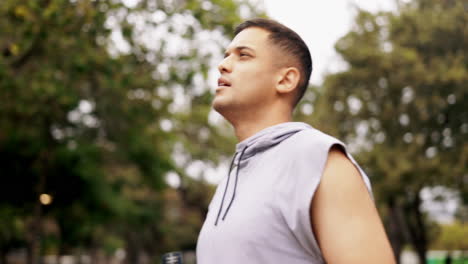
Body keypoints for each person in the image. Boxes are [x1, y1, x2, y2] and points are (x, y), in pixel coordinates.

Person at [196, 18, 396, 264]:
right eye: (226, 55)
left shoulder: (319, 158)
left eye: (243, 55)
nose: (223, 65)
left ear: (285, 80)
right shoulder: (230, 180)